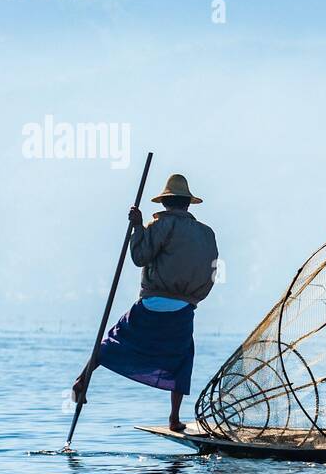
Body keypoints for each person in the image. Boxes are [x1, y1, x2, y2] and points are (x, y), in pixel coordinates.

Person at [72, 174, 219, 431]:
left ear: (165, 203)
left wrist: (138, 227)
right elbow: (211, 271)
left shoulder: (159, 225)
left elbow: (140, 257)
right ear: (187, 204)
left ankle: (82, 379)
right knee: (183, 358)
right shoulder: (206, 234)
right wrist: (192, 299)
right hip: (183, 308)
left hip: (151, 304)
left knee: (112, 341)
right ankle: (174, 418)